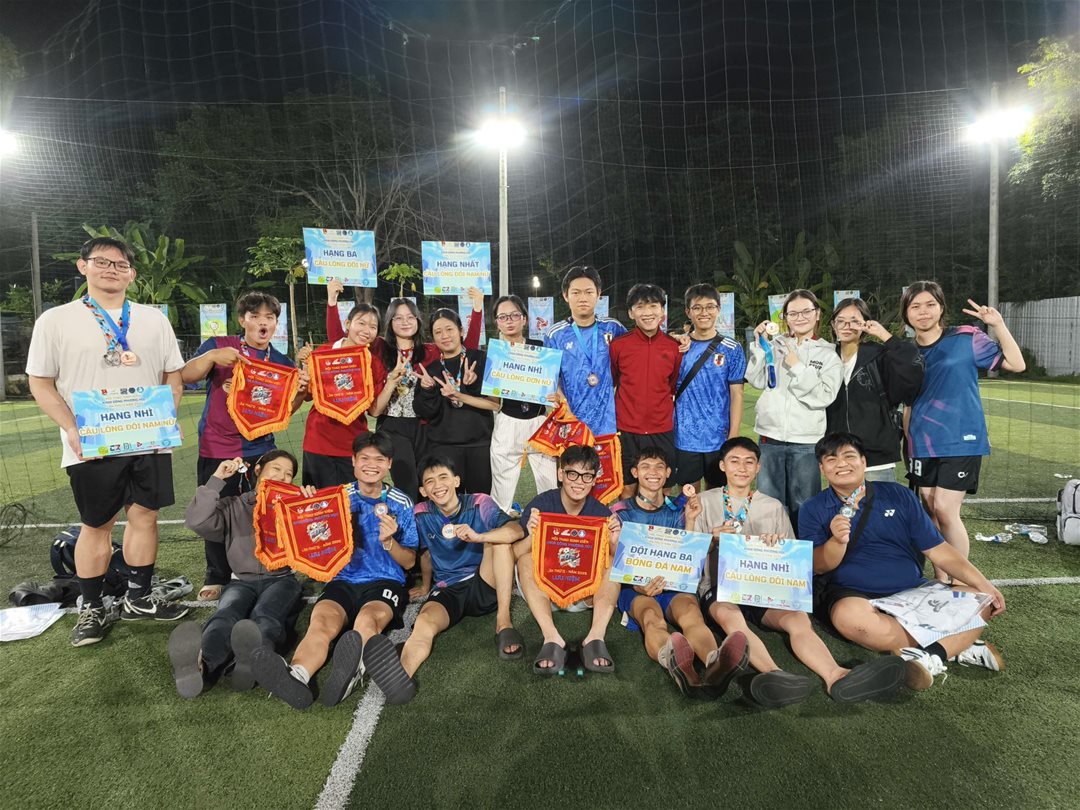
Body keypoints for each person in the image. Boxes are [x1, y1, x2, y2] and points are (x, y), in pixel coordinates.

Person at [26, 236, 189, 646]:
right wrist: (71, 428)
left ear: (132, 274)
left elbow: (173, 374)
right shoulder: (56, 320)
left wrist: (166, 415)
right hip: (92, 439)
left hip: (148, 437)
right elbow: (40, 382)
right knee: (97, 523)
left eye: (120, 265)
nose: (112, 270)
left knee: (145, 516)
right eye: (102, 262)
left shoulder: (153, 319)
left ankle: (139, 598)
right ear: (83, 266)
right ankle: (92, 606)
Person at [693, 437, 905, 707]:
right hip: (719, 588)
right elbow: (690, 558)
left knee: (798, 619)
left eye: (749, 462)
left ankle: (835, 675)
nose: (742, 468)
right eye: (735, 461)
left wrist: (776, 547)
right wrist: (711, 540)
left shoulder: (772, 506)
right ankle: (773, 675)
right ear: (723, 466)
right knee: (731, 617)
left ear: (758, 468)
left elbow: (792, 561)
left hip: (762, 585)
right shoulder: (703, 502)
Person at [802, 432, 1007, 690]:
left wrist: (984, 584)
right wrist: (836, 541)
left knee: (981, 599)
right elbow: (819, 566)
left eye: (849, 456)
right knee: (849, 619)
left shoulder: (898, 495)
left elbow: (939, 550)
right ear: (822, 469)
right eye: (831, 460)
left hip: (912, 589)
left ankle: (931, 654)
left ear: (864, 461)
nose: (841, 464)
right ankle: (953, 644)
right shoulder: (813, 508)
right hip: (855, 595)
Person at [251, 432, 419, 708]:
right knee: (321, 624)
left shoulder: (401, 503)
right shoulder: (335, 497)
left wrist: (389, 542)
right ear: (353, 461)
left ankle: (354, 670)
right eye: (364, 458)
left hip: (385, 581)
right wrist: (306, 504)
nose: (371, 465)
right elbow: (306, 534)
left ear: (389, 463)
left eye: (379, 459)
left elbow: (410, 562)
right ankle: (297, 675)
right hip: (342, 579)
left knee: (367, 621)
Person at [366, 456, 526, 703]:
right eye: (430, 481)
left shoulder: (479, 502)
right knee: (424, 623)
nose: (438, 485)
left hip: (483, 580)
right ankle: (401, 679)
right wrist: (425, 586)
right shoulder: (421, 514)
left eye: (443, 477)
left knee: (499, 541)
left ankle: (503, 623)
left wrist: (479, 536)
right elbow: (425, 553)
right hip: (448, 588)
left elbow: (516, 530)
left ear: (456, 481)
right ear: (423, 491)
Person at [181, 291, 307, 601]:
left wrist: (302, 393)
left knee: (261, 512)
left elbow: (283, 413)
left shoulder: (282, 362)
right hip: (218, 446)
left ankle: (264, 566)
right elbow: (185, 375)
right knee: (216, 511)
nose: (263, 323)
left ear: (276, 324)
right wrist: (211, 357)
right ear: (242, 320)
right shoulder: (219, 345)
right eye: (255, 317)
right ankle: (216, 574)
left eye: (270, 318)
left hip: (260, 448)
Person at [901, 281, 1025, 574]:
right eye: (915, 306)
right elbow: (907, 404)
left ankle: (961, 578)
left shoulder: (967, 337)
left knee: (945, 508)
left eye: (930, 304)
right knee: (930, 510)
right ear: (906, 313)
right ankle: (942, 578)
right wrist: (908, 440)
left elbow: (1016, 364)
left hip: (961, 438)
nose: (923, 312)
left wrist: (998, 324)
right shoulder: (905, 351)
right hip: (921, 440)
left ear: (941, 307)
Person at [610, 447, 750, 698]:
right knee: (651, 617)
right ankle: (675, 662)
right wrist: (639, 585)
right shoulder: (619, 511)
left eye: (659, 467)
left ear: (667, 473)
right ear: (635, 472)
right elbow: (614, 558)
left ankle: (715, 662)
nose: (653, 472)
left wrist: (691, 520)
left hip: (675, 584)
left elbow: (689, 555)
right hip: (637, 587)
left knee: (691, 615)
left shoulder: (680, 507)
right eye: (645, 467)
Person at [169, 450, 304, 698]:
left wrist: (312, 504)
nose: (282, 477)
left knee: (267, 616)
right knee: (225, 616)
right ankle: (202, 665)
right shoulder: (234, 505)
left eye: (288, 474)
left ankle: (251, 662)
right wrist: (217, 479)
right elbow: (197, 521)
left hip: (281, 579)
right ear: (258, 471)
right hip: (240, 581)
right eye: (276, 469)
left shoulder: (295, 506)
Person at [514, 444, 623, 674]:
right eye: (572, 474)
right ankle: (551, 637)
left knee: (613, 562)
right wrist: (531, 536)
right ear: (560, 474)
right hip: (544, 592)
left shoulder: (602, 513)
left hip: (585, 594)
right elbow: (515, 554)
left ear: (594, 480)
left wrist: (614, 541)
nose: (579, 482)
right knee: (525, 559)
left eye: (586, 476)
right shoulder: (541, 505)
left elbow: (621, 562)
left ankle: (595, 638)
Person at [746, 289, 842, 525]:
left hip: (806, 441)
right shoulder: (775, 346)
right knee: (769, 506)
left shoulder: (828, 354)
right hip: (770, 437)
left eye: (806, 311)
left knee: (804, 505)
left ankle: (805, 549)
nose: (800, 317)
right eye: (793, 313)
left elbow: (825, 396)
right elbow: (756, 379)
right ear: (785, 317)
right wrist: (759, 346)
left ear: (817, 314)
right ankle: (770, 549)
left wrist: (798, 367)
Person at [825, 298, 923, 483]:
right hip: (839, 457)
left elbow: (913, 365)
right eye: (841, 320)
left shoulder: (879, 355)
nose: (847, 326)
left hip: (876, 457)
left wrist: (884, 335)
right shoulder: (826, 357)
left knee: (879, 502)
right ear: (833, 324)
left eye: (854, 321)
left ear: (865, 323)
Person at [413, 308, 498, 497]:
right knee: (449, 502)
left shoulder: (480, 359)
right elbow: (424, 412)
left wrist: (474, 383)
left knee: (480, 501)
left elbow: (495, 403)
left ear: (461, 331)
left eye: (449, 329)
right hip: (444, 448)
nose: (444, 336)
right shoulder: (430, 370)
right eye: (438, 332)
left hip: (479, 446)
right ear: (433, 338)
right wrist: (427, 390)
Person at [485, 293, 558, 513]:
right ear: (497, 322)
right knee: (501, 485)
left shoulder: (540, 349)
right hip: (508, 421)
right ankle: (499, 523)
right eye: (503, 317)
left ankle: (550, 521)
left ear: (524, 319)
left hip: (539, 420)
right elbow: (493, 400)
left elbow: (553, 386)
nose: (509, 321)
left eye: (514, 315)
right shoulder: (495, 353)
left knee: (548, 482)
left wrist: (557, 396)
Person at [301, 302, 386, 488]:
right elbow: (307, 396)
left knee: (351, 503)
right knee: (319, 502)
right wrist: (305, 369)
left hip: (353, 446)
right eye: (361, 323)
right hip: (318, 443)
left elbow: (374, 411)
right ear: (348, 324)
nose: (366, 330)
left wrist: (393, 381)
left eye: (373, 327)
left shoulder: (374, 363)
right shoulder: (322, 353)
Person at [607, 284, 681, 498]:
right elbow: (612, 381)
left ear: (662, 311)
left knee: (663, 488)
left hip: (661, 429)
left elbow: (672, 385)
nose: (647, 312)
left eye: (653, 306)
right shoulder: (618, 346)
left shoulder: (674, 347)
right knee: (627, 488)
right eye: (640, 307)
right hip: (627, 429)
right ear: (631, 313)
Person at [672, 283, 746, 491]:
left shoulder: (732, 348)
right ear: (688, 312)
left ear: (718, 309)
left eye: (710, 307)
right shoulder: (678, 347)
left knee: (716, 495)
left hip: (718, 437)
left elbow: (737, 394)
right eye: (697, 307)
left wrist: (733, 436)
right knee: (689, 495)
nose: (704, 313)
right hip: (684, 437)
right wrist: (673, 337)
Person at [366, 297, 440, 501]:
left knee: (428, 482)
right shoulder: (380, 347)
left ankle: (426, 520)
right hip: (392, 425)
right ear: (389, 322)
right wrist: (332, 303)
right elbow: (343, 342)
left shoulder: (431, 351)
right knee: (407, 484)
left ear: (418, 320)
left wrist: (476, 309)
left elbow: (463, 347)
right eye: (398, 318)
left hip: (424, 426)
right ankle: (408, 521)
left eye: (410, 317)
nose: (405, 322)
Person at [544, 266, 627, 437]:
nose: (583, 298)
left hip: (609, 423)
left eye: (589, 292)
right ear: (566, 296)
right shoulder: (555, 334)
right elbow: (550, 378)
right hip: (571, 422)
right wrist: (564, 408)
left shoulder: (613, 328)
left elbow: (637, 352)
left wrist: (676, 338)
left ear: (598, 294)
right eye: (576, 293)